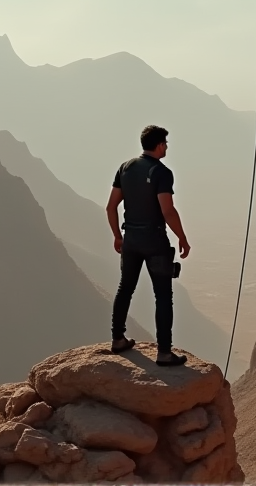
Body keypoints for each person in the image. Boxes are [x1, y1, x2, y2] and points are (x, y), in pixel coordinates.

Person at [106, 124, 191, 366]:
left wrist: (117, 236)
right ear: (160, 144)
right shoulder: (161, 172)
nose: (167, 147)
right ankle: (164, 352)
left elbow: (111, 207)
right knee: (163, 296)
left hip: (130, 239)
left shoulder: (125, 168)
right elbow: (168, 210)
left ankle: (118, 339)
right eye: (165, 143)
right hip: (154, 241)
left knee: (125, 288)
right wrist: (182, 238)